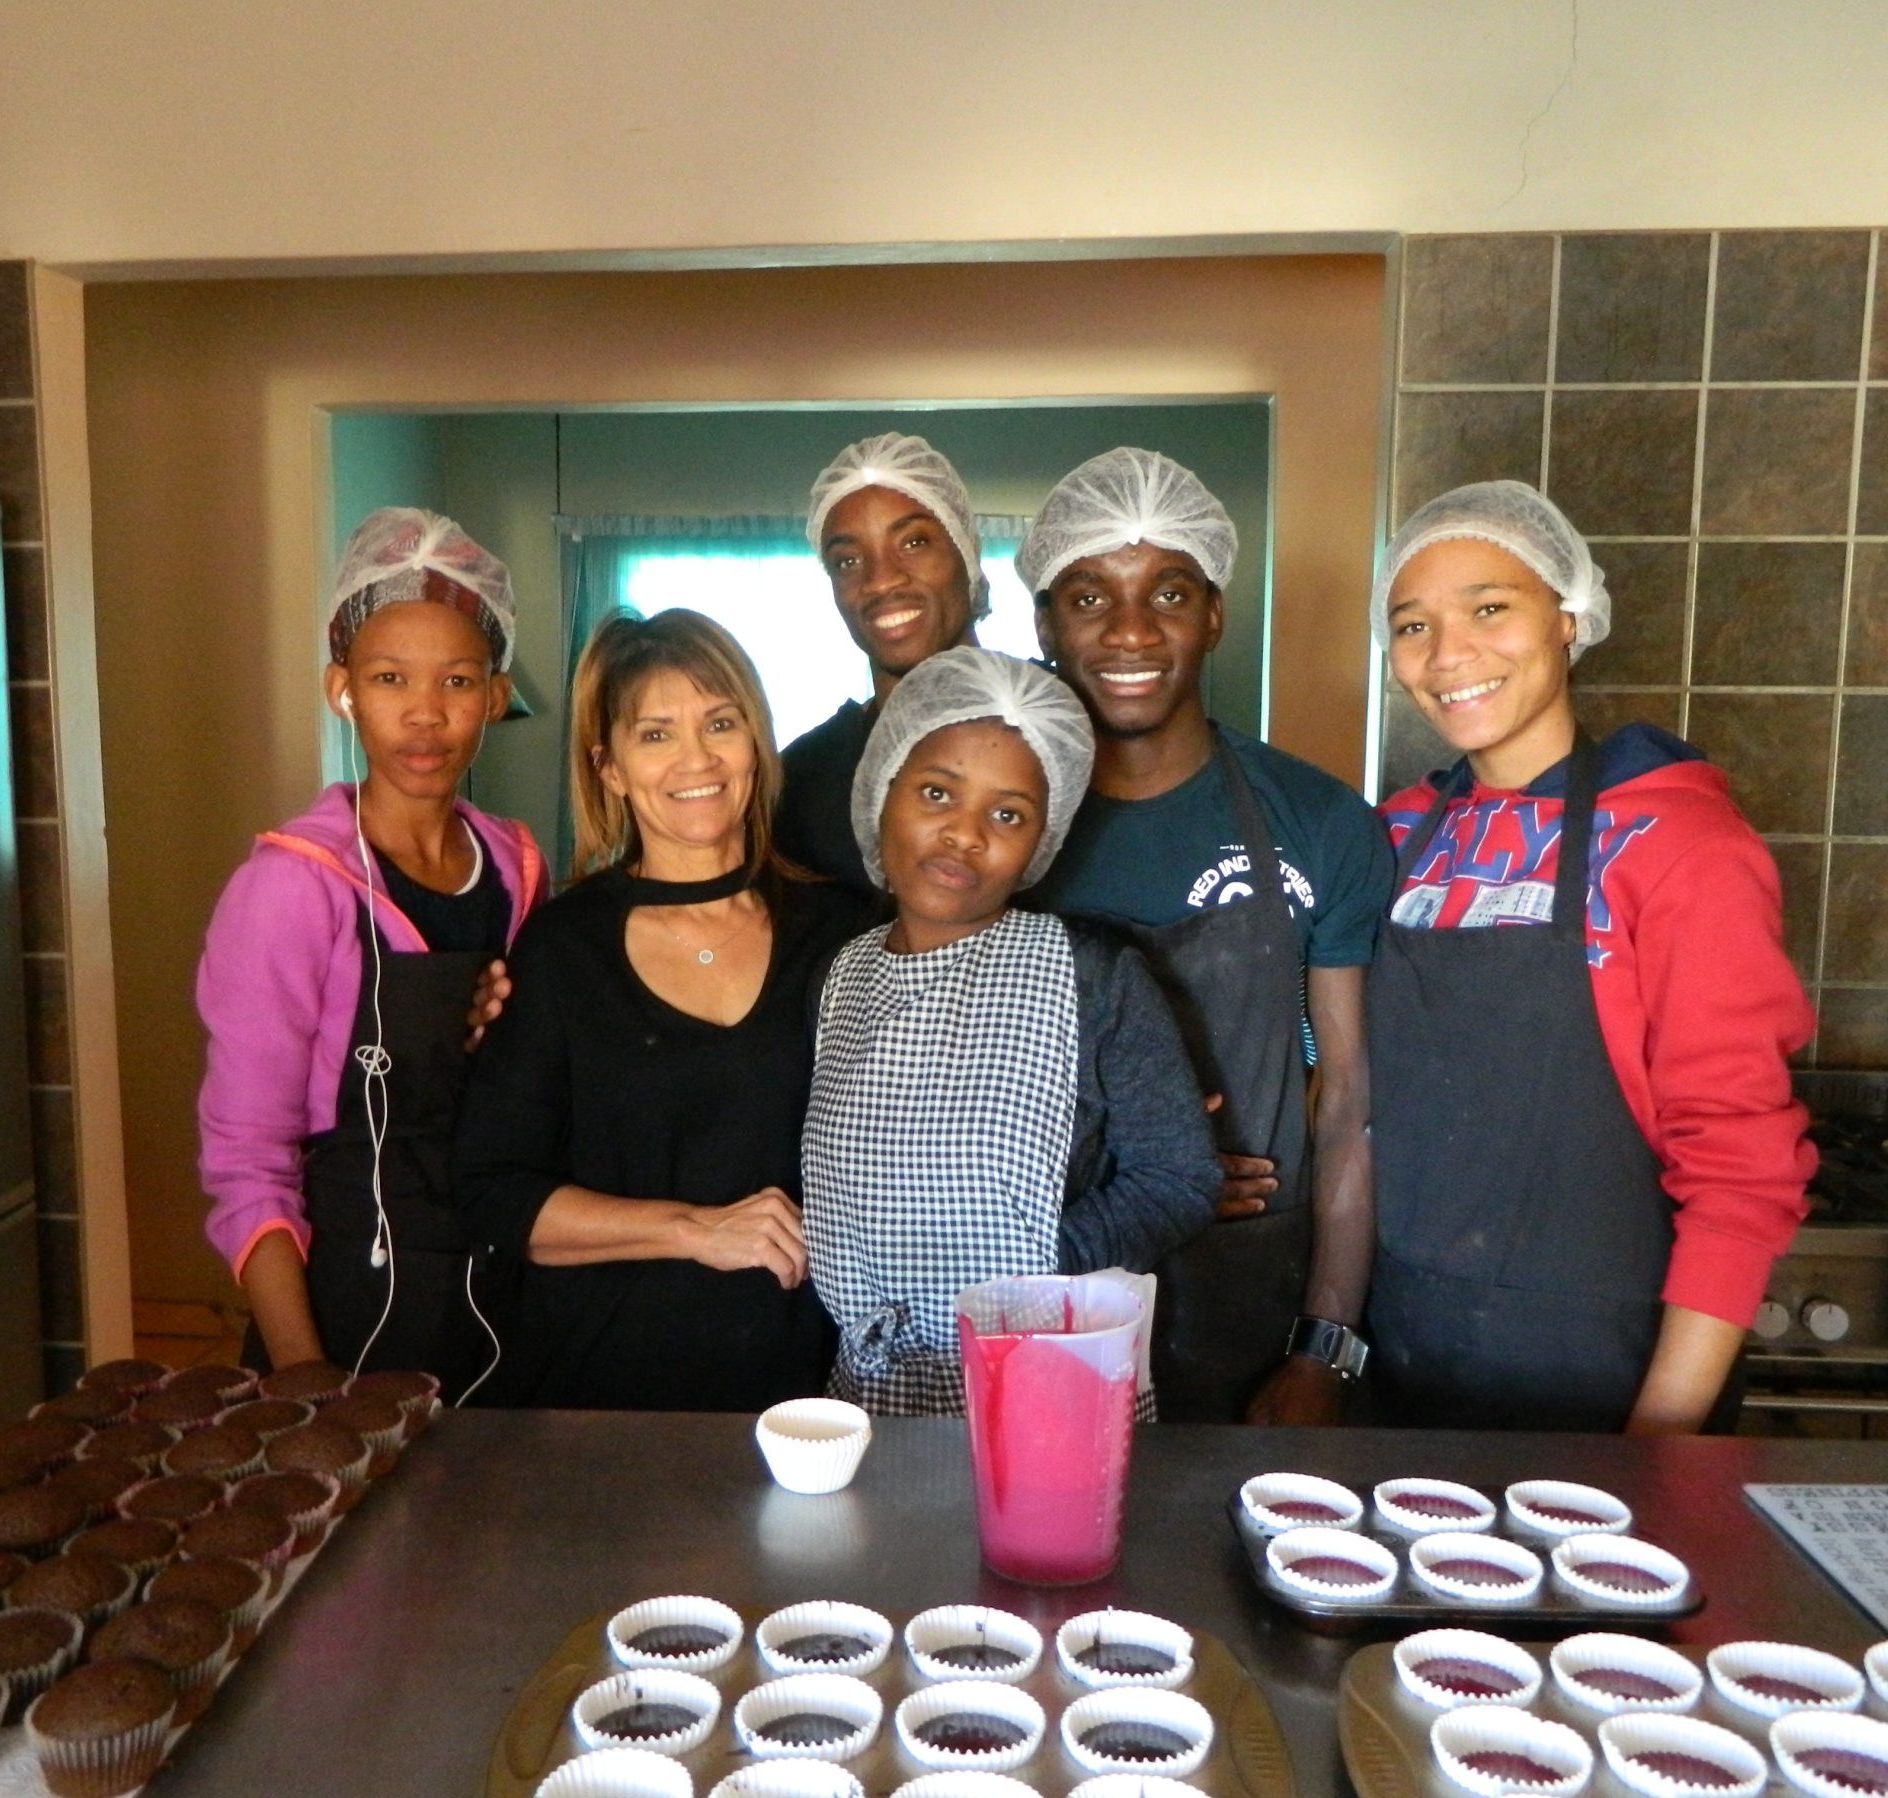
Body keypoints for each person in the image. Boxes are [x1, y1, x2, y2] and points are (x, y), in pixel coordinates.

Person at [1359, 480, 1814, 1433]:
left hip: (1609, 1372)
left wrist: (1660, 1440)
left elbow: (1740, 1165)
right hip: (1403, 1354)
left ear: (1568, 617)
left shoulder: (1684, 844)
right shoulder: (1393, 836)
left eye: (1490, 608)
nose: (1449, 656)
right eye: (1412, 626)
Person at [1022, 448, 1391, 1425]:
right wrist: (1156, 1171)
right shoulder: (1002, 834)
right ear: (1044, 624)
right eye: (1090, 596)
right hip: (1047, 1293)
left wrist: (1326, 1345)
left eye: (1169, 592)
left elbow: (1348, 1104)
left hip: (1251, 1303)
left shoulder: (1319, 824)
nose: (1132, 630)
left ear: (1216, 613)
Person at [453, 609, 862, 1410]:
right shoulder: (562, 950)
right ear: (609, 768)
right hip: (603, 1389)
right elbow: (492, 1195)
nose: (697, 760)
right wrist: (695, 1230)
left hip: (809, 1392)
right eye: (656, 735)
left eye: (720, 723)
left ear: (757, 742)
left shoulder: (845, 931)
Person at [802, 649, 1218, 1414]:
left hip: (1047, 1387)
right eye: (936, 793)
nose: (964, 834)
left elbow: (1180, 1179)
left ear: (1041, 842)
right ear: (881, 791)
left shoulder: (1093, 974)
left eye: (1007, 814)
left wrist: (1032, 1273)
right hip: (869, 1394)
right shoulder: (838, 977)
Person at [196, 508, 548, 1387]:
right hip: (344, 1300)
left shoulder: (519, 867)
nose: (425, 715)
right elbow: (248, 1163)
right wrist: (302, 1373)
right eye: (390, 679)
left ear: (497, 699)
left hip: (500, 1288)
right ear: (341, 689)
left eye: (459, 682)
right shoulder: (289, 888)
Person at [773, 432, 985, 896]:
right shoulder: (803, 781)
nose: (881, 580)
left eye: (913, 542)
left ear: (967, 549)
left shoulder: (1066, 728)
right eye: (847, 560)